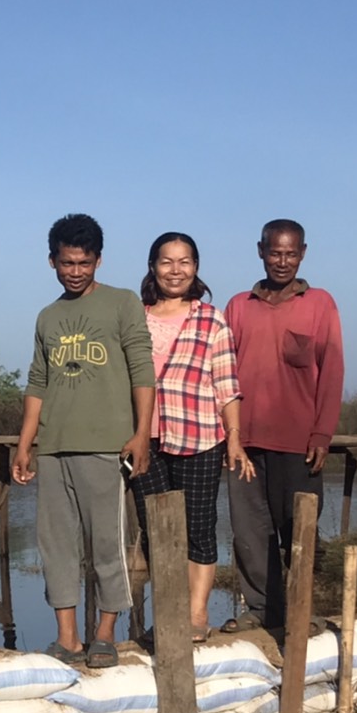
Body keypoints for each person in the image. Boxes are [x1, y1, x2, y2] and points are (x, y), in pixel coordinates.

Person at [12, 213, 155, 669]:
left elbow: (142, 370)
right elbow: (38, 382)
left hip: (107, 445)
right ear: (52, 261)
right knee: (56, 545)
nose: (75, 272)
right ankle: (68, 638)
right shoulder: (48, 316)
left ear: (98, 261)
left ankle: (105, 635)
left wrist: (141, 434)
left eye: (84, 263)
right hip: (54, 446)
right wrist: (25, 444)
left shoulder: (122, 303)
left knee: (106, 545)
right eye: (67, 263)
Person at [129, 232, 254, 643]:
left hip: (199, 437)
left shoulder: (211, 319)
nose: (175, 270)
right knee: (156, 530)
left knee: (198, 528)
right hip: (144, 440)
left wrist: (233, 437)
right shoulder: (135, 318)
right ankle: (169, 614)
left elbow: (226, 383)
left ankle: (197, 615)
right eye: (167, 262)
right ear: (153, 267)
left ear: (196, 268)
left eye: (184, 262)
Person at [223, 219, 344, 632]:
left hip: (298, 441)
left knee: (299, 528)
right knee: (250, 530)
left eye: (291, 254)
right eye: (275, 252)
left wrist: (322, 432)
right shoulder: (239, 306)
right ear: (260, 251)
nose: (282, 261)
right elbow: (222, 373)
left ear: (303, 254)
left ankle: (301, 609)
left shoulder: (320, 303)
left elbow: (332, 371)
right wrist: (227, 435)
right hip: (244, 441)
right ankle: (261, 610)